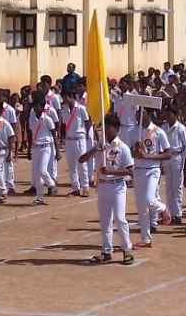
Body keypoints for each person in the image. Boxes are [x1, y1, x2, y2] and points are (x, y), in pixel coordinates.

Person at [83, 114, 135, 265]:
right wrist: (95, 150)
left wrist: (111, 172)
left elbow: (130, 171)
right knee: (105, 221)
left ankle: (127, 250)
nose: (105, 131)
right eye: (104, 127)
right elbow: (82, 159)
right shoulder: (101, 146)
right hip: (103, 186)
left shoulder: (123, 148)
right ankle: (107, 251)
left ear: (116, 129)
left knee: (120, 218)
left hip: (118, 186)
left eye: (108, 128)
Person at [132, 106, 171, 247]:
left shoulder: (158, 132)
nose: (137, 116)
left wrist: (148, 156)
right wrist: (135, 150)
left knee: (149, 199)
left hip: (152, 170)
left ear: (148, 114)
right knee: (141, 207)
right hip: (138, 169)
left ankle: (163, 208)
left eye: (140, 113)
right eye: (137, 114)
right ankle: (146, 239)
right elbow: (132, 153)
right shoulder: (134, 131)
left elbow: (168, 153)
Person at [63, 86, 93, 198]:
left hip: (80, 139)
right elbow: (64, 124)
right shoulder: (64, 109)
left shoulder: (81, 108)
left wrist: (85, 134)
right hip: (69, 139)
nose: (64, 99)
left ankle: (85, 187)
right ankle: (75, 188)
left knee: (82, 164)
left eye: (65, 97)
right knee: (71, 166)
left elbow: (88, 122)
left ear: (71, 97)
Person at [29, 96, 58, 205]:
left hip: (46, 147)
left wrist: (57, 151)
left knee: (42, 170)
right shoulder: (32, 118)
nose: (36, 108)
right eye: (34, 106)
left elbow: (54, 134)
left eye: (38, 106)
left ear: (42, 107)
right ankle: (39, 197)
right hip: (35, 147)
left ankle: (51, 184)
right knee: (37, 174)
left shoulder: (47, 119)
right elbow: (30, 131)